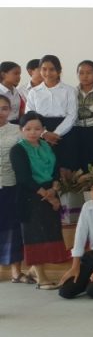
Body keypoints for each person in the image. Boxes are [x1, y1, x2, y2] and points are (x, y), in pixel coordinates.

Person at [25, 55, 77, 171]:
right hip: (40, 130)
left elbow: (72, 115)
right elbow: (29, 115)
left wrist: (56, 133)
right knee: (44, 166)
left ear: (59, 71)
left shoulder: (69, 90)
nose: (47, 73)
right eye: (44, 69)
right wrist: (44, 133)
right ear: (40, 70)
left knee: (65, 166)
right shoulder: (33, 92)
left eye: (52, 69)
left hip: (65, 131)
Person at [0, 95, 26, 281]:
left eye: (4, 108)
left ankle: (16, 270)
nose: (0, 112)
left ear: (10, 110)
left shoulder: (18, 131)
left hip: (11, 184)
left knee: (13, 227)